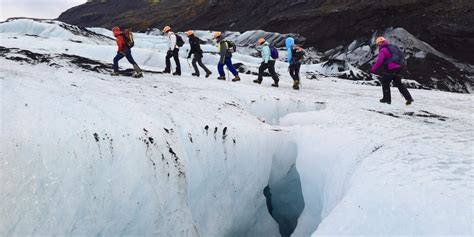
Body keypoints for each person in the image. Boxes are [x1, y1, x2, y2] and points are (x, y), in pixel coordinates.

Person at [371, 37, 414, 105]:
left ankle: (386, 99)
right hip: (398, 68)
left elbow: (379, 61)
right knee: (399, 84)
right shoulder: (392, 47)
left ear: (379, 43)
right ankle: (409, 98)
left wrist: (373, 69)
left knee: (385, 82)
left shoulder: (383, 50)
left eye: (378, 44)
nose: (378, 45)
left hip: (390, 68)